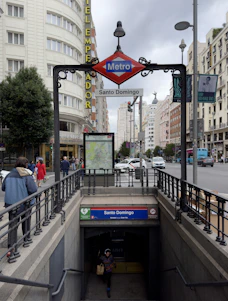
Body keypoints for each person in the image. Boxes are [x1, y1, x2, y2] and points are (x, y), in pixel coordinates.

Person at [2, 157, 37, 250]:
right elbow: (33, 189)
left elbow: (3, 188)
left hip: (11, 205)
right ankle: (26, 239)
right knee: (26, 222)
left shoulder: (8, 175)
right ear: (25, 165)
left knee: (12, 225)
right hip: (25, 204)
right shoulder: (26, 175)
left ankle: (11, 246)